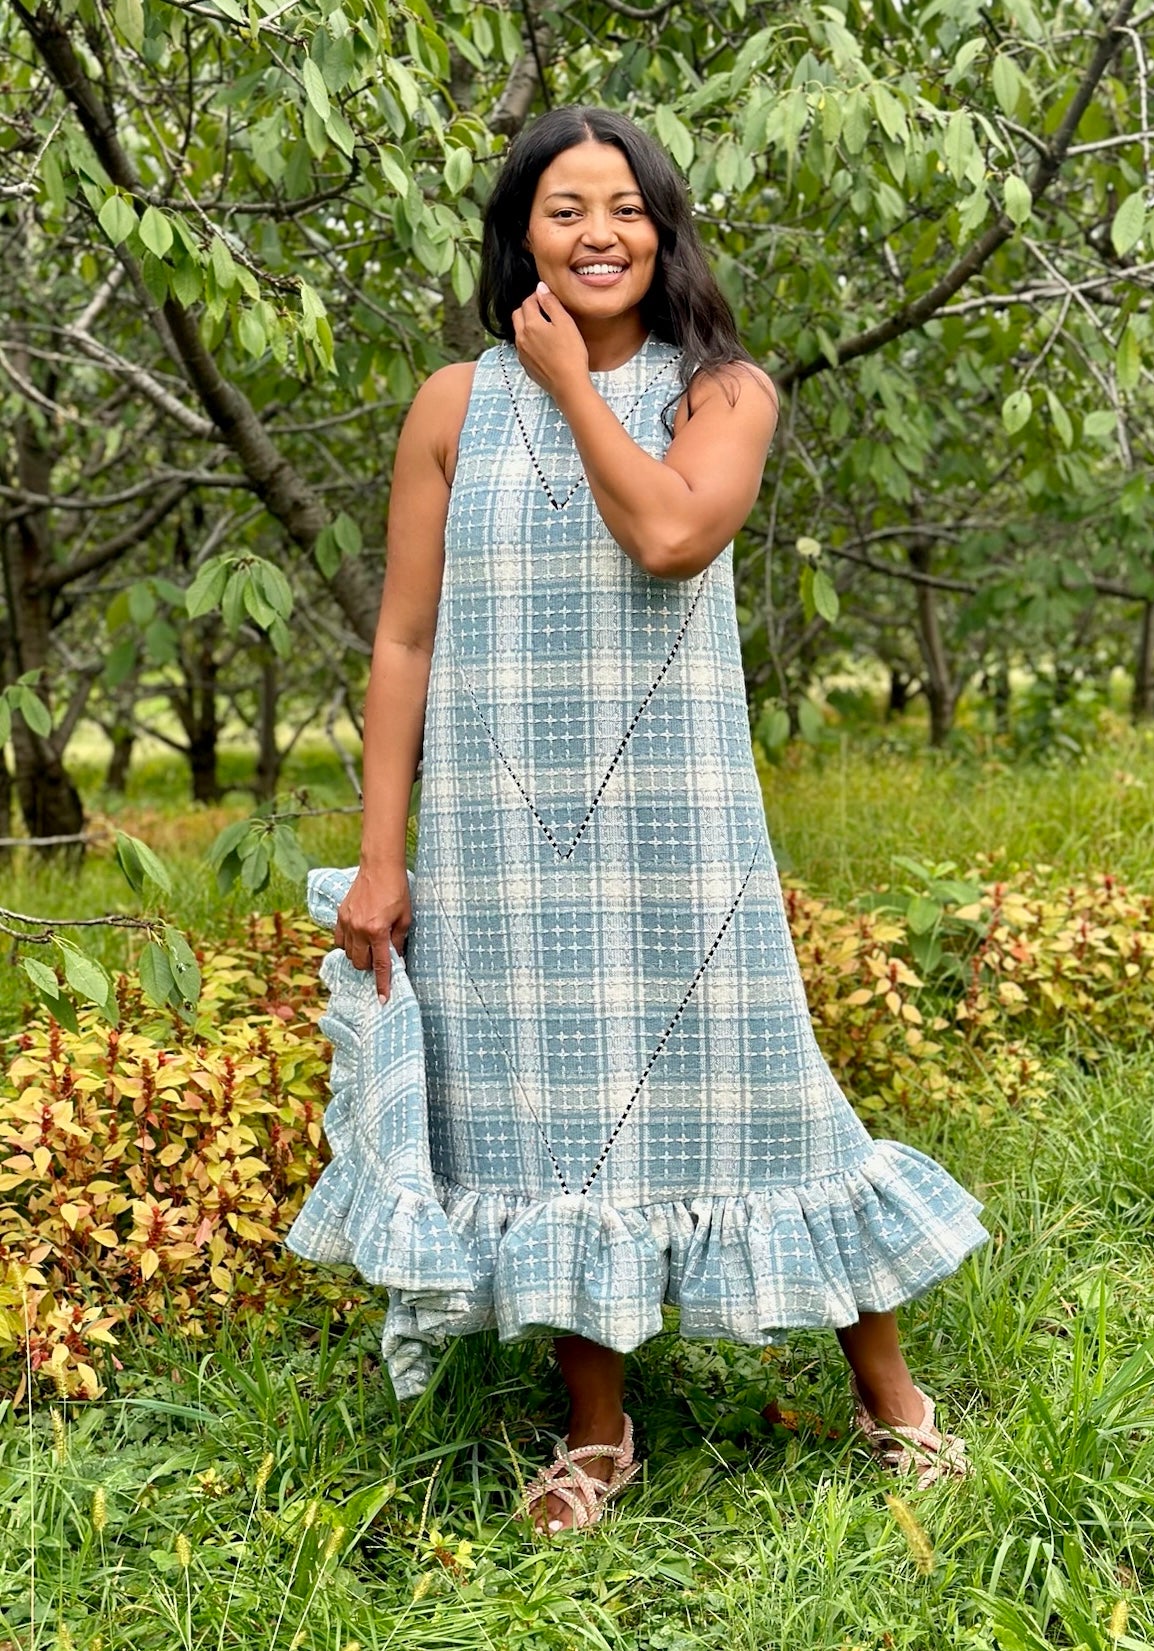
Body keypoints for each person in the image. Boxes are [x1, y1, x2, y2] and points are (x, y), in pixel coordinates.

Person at [324, 106, 988, 1536]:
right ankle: (597, 1434)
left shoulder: (722, 390)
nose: (598, 232)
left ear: (664, 226)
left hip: (678, 829)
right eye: (564, 208)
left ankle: (890, 1394)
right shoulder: (450, 402)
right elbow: (402, 643)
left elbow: (672, 535)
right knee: (551, 1119)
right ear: (520, 235)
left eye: (625, 206)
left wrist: (568, 384)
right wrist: (383, 858)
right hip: (498, 843)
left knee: (767, 1094)